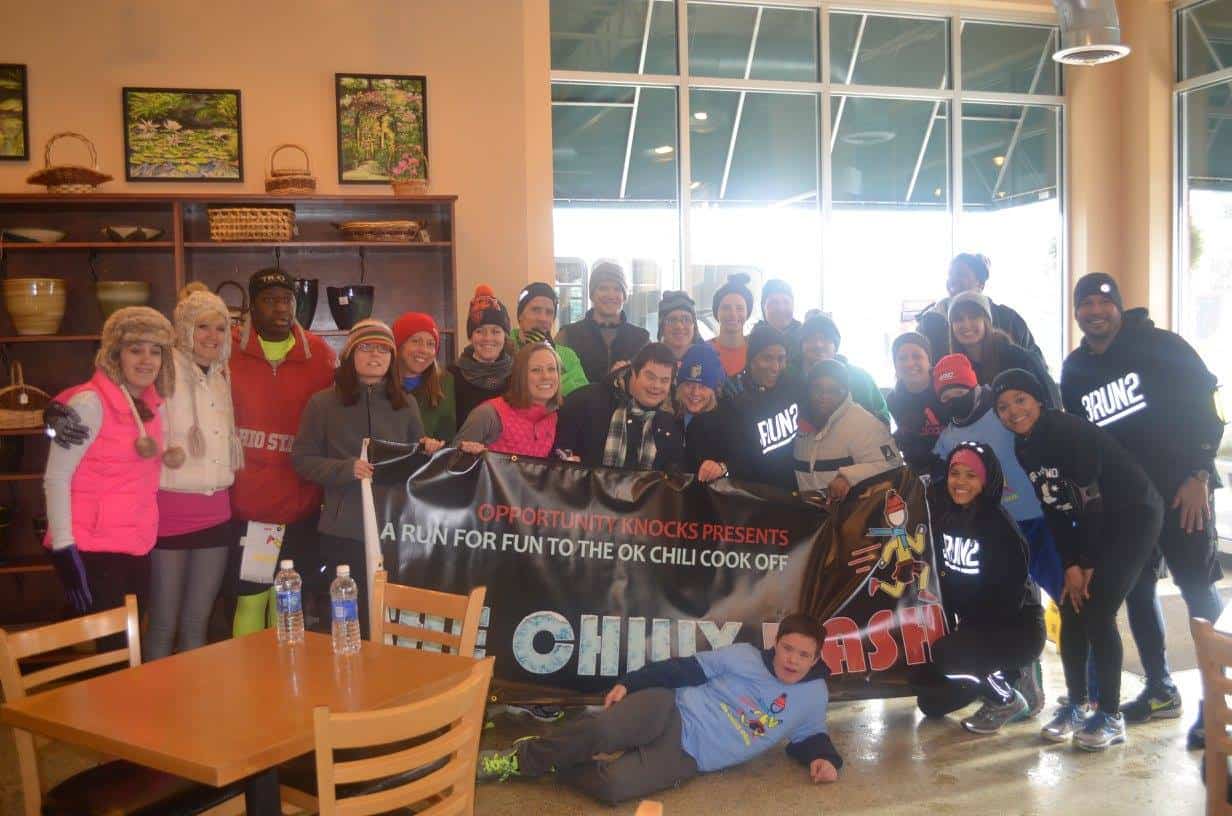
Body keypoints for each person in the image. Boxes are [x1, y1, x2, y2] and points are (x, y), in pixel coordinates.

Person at [1061, 273, 1225, 748]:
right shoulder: (1075, 369)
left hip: (1180, 493)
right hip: (1127, 505)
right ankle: (1160, 689)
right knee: (1138, 591)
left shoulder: (1161, 346)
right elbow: (1081, 439)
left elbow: (1208, 406)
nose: (1095, 312)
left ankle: (1219, 703)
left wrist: (1199, 473)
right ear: (1077, 312)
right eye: (1085, 304)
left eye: (1103, 303)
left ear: (1118, 306)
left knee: (1197, 590)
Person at [476, 613, 842, 804]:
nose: (792, 660)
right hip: (672, 708)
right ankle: (519, 759)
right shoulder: (744, 656)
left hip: (690, 756)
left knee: (614, 786)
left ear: (816, 658)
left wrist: (824, 759)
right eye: (787, 649)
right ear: (776, 643)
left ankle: (557, 759)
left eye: (804, 655)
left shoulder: (814, 695)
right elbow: (684, 668)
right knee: (602, 731)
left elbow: (810, 734)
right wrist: (631, 683)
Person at [993, 369, 1162, 751]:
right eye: (1003, 406)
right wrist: (1069, 564)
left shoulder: (1069, 432)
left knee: (1098, 610)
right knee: (1071, 604)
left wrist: (1085, 562)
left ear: (1039, 399)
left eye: (1020, 399)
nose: (1014, 411)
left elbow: (1091, 503)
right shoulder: (1024, 445)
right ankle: (1077, 704)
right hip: (1090, 521)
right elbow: (1055, 506)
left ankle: (1110, 715)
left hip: (1133, 517)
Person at [42, 307, 176, 649]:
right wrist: (64, 548)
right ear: (116, 354)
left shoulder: (150, 405)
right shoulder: (90, 402)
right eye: (135, 349)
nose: (146, 360)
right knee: (111, 653)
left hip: (135, 544)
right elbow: (56, 478)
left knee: (129, 648)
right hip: (93, 549)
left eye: (155, 351)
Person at [293, 320, 424, 639]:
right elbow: (302, 460)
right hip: (343, 531)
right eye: (366, 347)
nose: (375, 355)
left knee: (390, 617)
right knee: (348, 620)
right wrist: (345, 469)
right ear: (350, 354)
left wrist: (428, 449)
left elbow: (416, 464)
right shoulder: (322, 404)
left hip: (393, 530)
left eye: (383, 349)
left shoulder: (406, 404)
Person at [228, 267, 337, 636]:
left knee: (286, 600)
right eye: (269, 300)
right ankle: (248, 672)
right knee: (251, 599)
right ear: (252, 306)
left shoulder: (320, 355)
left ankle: (284, 672)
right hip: (250, 507)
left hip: (301, 506)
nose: (280, 308)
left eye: (287, 299)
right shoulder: (228, 351)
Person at [912, 442, 1045, 734]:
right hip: (975, 629)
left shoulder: (999, 526)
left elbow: (1010, 597)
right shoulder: (947, 517)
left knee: (948, 654)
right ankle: (995, 677)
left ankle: (1006, 697)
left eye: (971, 475)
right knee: (930, 702)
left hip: (1016, 630)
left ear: (986, 481)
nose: (960, 482)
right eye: (955, 473)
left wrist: (969, 639)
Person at [146, 284, 243, 660]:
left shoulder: (221, 375)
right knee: (163, 622)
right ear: (185, 329)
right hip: (169, 512)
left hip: (216, 513)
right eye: (203, 326)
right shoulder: (162, 369)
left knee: (197, 621)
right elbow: (123, 408)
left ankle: (192, 696)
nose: (212, 336)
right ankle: (153, 696)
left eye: (220, 328)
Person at [694, 326, 800, 492]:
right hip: (749, 495)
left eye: (781, 358)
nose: (775, 367)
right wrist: (721, 466)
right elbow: (717, 450)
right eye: (767, 358)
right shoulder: (731, 394)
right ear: (752, 359)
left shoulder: (791, 386)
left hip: (788, 493)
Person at [555, 342, 685, 472]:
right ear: (633, 372)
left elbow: (672, 475)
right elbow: (558, 454)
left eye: (664, 380)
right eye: (650, 377)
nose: (656, 385)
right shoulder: (586, 401)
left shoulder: (669, 422)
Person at [793, 359, 903, 502]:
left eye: (833, 390)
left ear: (845, 391)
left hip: (852, 511)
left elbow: (893, 463)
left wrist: (848, 477)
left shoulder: (865, 423)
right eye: (817, 389)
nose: (824, 396)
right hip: (805, 508)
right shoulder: (796, 419)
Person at [916, 253, 1042, 361]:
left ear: (981, 284)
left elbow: (1036, 363)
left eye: (960, 274)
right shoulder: (930, 322)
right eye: (950, 275)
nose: (953, 280)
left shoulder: (1008, 319)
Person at [947, 292, 1059, 407]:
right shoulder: (952, 369)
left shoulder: (1019, 359)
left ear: (986, 321)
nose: (966, 324)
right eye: (958, 319)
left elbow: (1050, 403)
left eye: (973, 317)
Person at [454, 342, 563, 457]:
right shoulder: (488, 414)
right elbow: (450, 460)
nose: (546, 376)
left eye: (551, 369)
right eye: (536, 370)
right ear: (520, 375)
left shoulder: (553, 416)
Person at [556, 262, 650, 384]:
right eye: (603, 288)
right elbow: (555, 380)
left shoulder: (642, 339)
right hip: (580, 397)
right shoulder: (568, 335)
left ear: (624, 296)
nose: (611, 295)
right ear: (592, 294)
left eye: (617, 289)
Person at [796, 312, 890, 426]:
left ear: (835, 345)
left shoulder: (860, 378)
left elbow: (883, 419)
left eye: (825, 338)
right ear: (801, 345)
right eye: (811, 339)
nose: (818, 345)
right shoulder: (793, 380)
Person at [449, 286, 515, 423]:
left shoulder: (517, 375)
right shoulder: (452, 376)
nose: (488, 338)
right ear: (471, 336)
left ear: (505, 336)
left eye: (495, 331)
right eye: (479, 331)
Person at [393, 311, 456, 453]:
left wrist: (437, 446)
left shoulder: (446, 383)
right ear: (399, 345)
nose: (424, 350)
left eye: (430, 344)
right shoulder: (380, 384)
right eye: (415, 341)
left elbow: (448, 439)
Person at [511, 282, 588, 397]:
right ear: (520, 315)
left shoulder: (567, 355)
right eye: (536, 310)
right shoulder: (504, 348)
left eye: (549, 312)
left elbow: (582, 394)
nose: (543, 318)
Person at [886, 332, 944, 474]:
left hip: (953, 466)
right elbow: (905, 434)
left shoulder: (945, 389)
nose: (910, 363)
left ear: (929, 361)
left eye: (917, 356)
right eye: (902, 358)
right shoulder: (893, 399)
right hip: (916, 471)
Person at [708, 272, 753, 376]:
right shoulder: (703, 350)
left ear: (747, 313)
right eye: (726, 308)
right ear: (716, 312)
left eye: (739, 308)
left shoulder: (756, 350)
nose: (733, 314)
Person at [754, 279, 803, 362]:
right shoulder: (751, 341)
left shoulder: (806, 340)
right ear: (763, 306)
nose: (781, 308)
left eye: (786, 302)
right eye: (774, 302)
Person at [658, 289, 701, 362]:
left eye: (686, 319)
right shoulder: (650, 361)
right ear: (662, 327)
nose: (679, 326)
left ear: (694, 326)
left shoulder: (707, 359)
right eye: (671, 320)